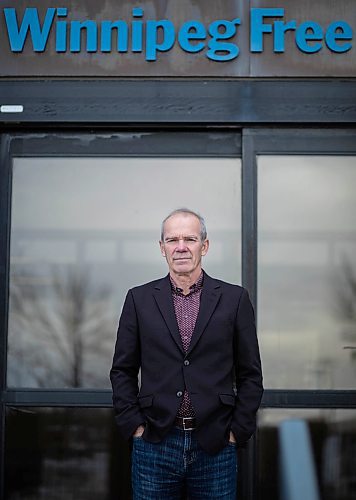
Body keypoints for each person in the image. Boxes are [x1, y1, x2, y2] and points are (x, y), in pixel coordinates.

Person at [110, 208, 263, 499]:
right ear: (162, 248)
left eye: (189, 239)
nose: (180, 247)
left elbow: (250, 374)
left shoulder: (234, 299)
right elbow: (122, 370)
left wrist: (237, 432)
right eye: (172, 240)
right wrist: (135, 427)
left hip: (216, 446)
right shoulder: (138, 299)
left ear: (204, 246)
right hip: (155, 443)